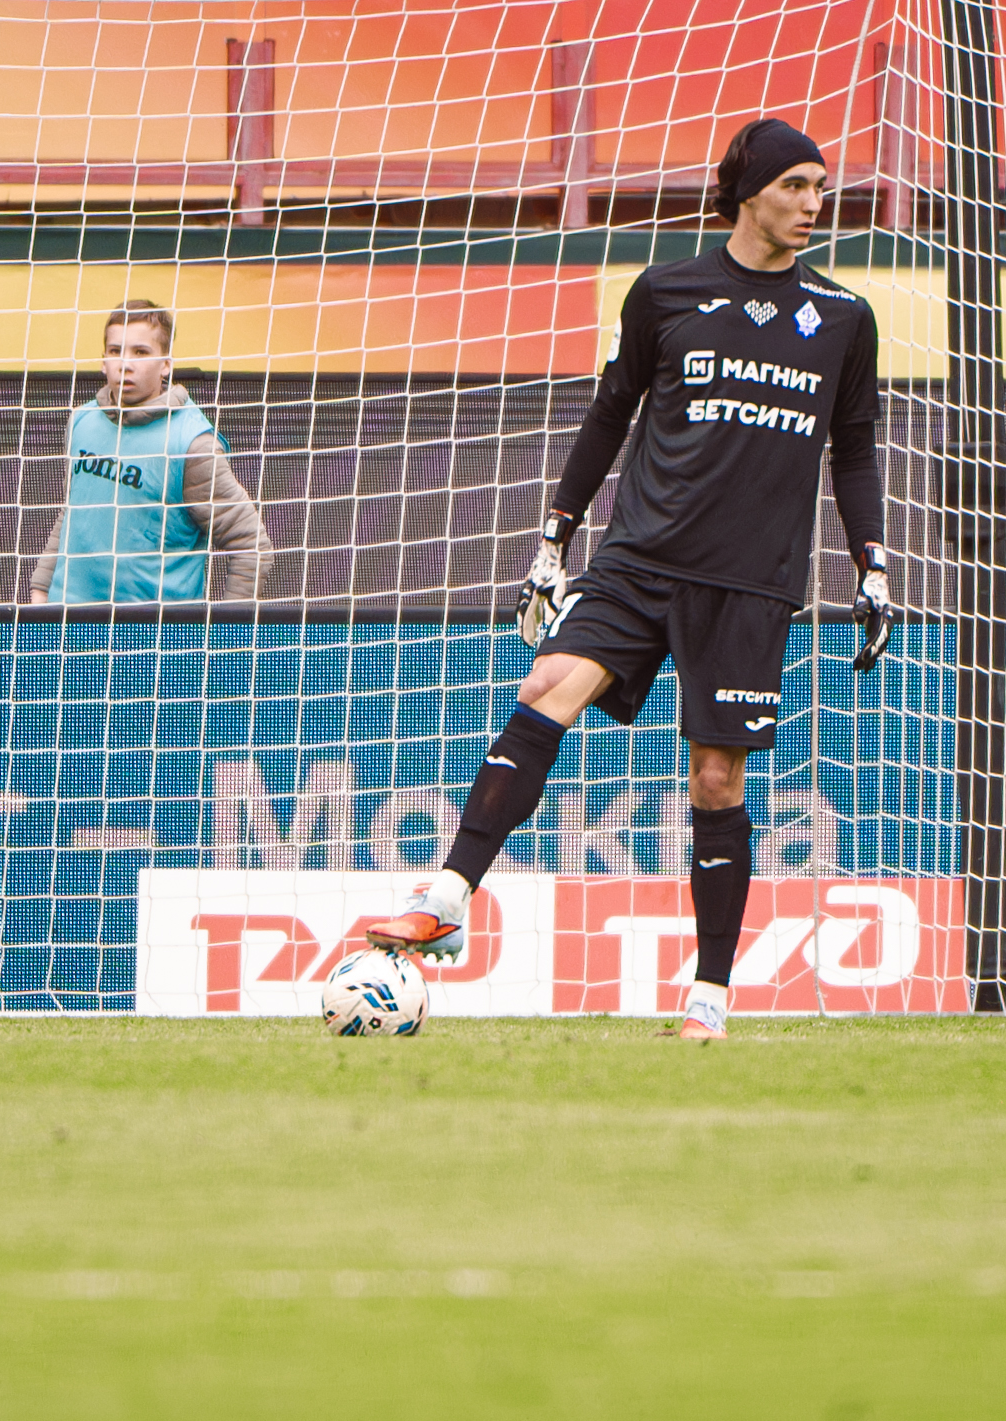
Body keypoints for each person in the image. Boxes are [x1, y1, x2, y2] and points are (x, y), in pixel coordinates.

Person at [366, 116, 893, 1040]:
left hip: (751, 580)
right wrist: (555, 540)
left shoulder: (843, 318)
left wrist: (872, 563)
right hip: (640, 556)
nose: (815, 204)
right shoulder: (666, 292)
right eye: (796, 186)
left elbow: (852, 450)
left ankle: (709, 997)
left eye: (820, 187)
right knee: (545, 686)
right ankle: (448, 894)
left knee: (716, 781)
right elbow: (609, 415)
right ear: (748, 193)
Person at [29, 299, 272, 605]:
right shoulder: (82, 420)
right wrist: (40, 592)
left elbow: (251, 545)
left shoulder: (192, 444)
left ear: (166, 364)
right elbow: (72, 513)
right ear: (103, 361)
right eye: (115, 351)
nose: (125, 364)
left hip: (154, 630)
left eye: (141, 352)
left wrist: (229, 629)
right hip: (67, 619)